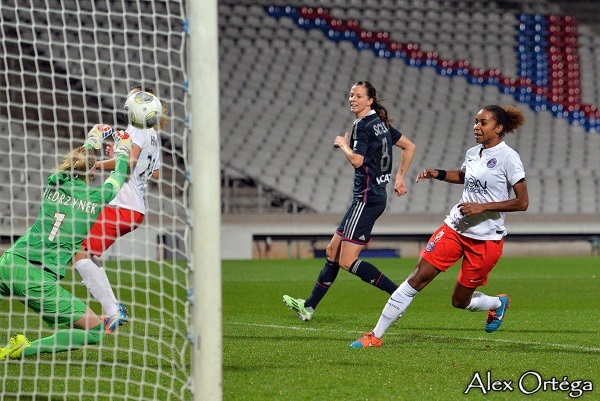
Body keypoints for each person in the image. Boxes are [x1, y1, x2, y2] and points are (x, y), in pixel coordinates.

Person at [349, 104, 529, 348]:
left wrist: (483, 207)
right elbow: (466, 177)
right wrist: (439, 173)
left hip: (486, 239)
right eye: (475, 121)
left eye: (482, 123)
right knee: (416, 278)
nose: (476, 126)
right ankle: (375, 336)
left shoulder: (509, 158)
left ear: (498, 128)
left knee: (459, 301)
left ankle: (498, 304)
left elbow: (522, 202)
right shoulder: (473, 152)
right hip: (455, 228)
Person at [283, 81, 416, 321]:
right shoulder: (381, 124)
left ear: (370, 100)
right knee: (332, 250)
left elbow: (357, 160)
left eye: (358, 95)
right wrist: (399, 177)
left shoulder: (363, 126)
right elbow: (409, 146)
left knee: (346, 261)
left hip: (366, 197)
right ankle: (309, 307)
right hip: (371, 197)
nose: (352, 99)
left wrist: (344, 146)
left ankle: (398, 297)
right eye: (351, 95)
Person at [0, 127, 132, 360]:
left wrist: (93, 139)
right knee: (95, 331)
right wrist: (122, 150)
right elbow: (119, 176)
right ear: (92, 171)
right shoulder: (96, 197)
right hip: (38, 279)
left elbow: (81, 158)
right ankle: (22, 350)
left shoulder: (55, 181)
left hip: (10, 261)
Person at [72, 85, 166, 333]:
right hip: (134, 207)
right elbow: (154, 172)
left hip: (123, 205)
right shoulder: (153, 133)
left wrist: (95, 165)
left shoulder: (137, 128)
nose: (130, 98)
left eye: (135, 95)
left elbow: (129, 162)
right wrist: (120, 150)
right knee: (85, 252)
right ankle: (112, 307)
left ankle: (113, 311)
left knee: (80, 254)